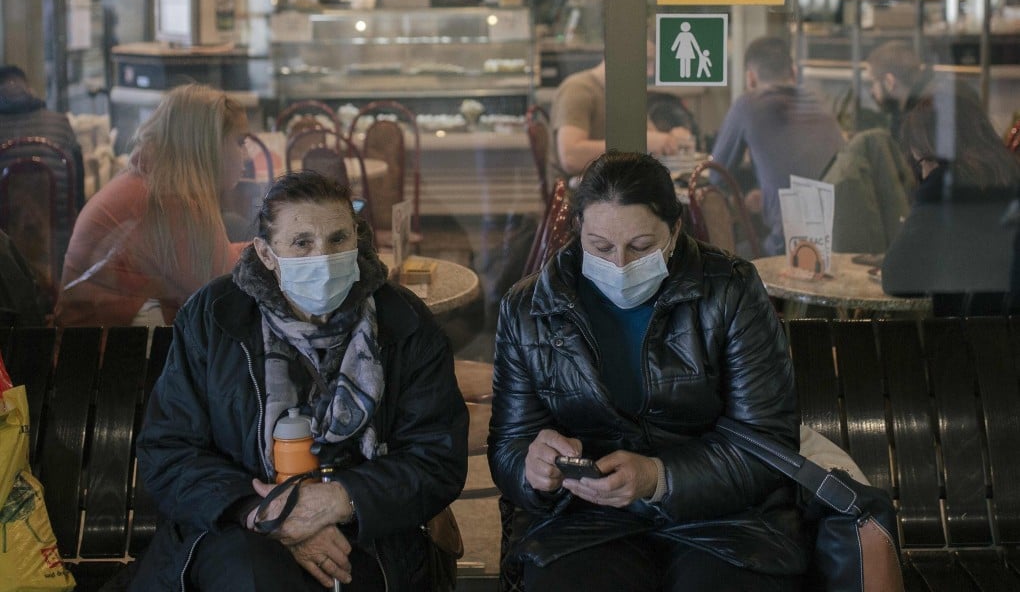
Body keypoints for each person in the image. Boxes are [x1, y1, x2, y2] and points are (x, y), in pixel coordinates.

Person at [129, 171, 469, 591]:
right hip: (235, 527)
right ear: (266, 254)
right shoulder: (215, 316)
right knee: (254, 574)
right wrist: (264, 511)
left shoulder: (403, 321)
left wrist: (340, 499)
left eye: (338, 239)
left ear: (357, 240)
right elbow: (168, 451)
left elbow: (437, 457)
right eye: (301, 242)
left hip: (369, 531)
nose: (322, 257)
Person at [488, 151, 808, 591]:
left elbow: (767, 444)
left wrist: (658, 477)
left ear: (674, 231)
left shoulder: (730, 289)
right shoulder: (529, 308)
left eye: (641, 246)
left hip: (725, 518)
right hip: (585, 522)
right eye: (601, 247)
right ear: (578, 228)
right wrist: (532, 469)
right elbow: (508, 444)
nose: (619, 265)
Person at [54, 83, 249, 327]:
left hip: (89, 341)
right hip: (100, 352)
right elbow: (225, 289)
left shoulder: (153, 179)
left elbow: (213, 264)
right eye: (240, 142)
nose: (247, 154)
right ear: (208, 145)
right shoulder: (169, 198)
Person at [882, 92, 1020, 316]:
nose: (922, 175)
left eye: (920, 163)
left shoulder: (944, 183)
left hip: (969, 341)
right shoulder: (1011, 172)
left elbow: (896, 278)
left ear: (931, 154)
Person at [711, 36, 845, 256]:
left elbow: (716, 174)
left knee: (721, 261)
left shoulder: (747, 105)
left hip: (789, 249)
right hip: (838, 240)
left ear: (751, 78)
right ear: (793, 73)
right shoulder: (818, 102)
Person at [550, 55, 695, 179]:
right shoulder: (578, 89)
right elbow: (570, 158)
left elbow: (650, 139)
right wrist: (635, 145)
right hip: (589, 196)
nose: (650, 73)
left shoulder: (625, 92)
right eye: (645, 61)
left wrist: (669, 139)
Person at [0, 64, 84, 210]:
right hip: (61, 230)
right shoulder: (60, 122)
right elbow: (78, 178)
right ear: (29, 89)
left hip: (5, 232)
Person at [866, 40, 979, 139]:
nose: (872, 91)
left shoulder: (926, 112)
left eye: (873, 82)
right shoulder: (940, 91)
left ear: (889, 81)